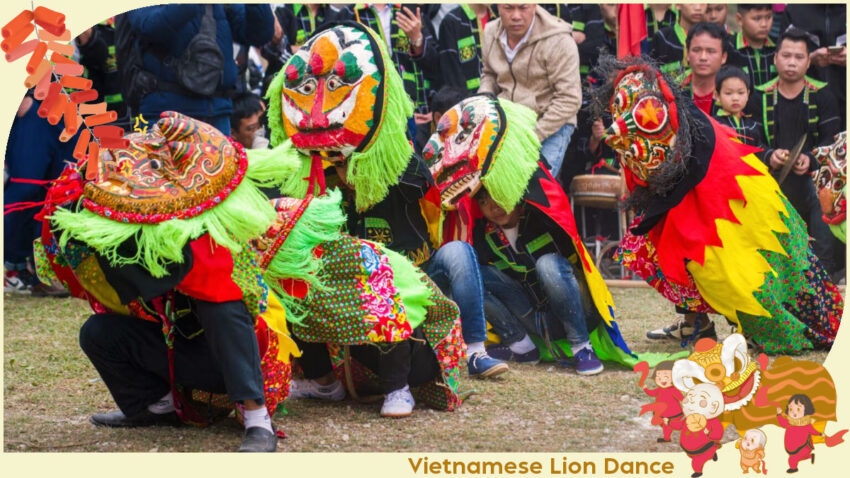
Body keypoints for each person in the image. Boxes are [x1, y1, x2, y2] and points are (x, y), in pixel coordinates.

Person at [254, 23, 507, 380]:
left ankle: (475, 350)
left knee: (458, 253)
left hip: (413, 276)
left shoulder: (399, 163)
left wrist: (370, 162)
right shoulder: (306, 174)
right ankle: (322, 377)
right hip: (349, 289)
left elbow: (426, 194)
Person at [37, 113, 294, 452]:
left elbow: (221, 297)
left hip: (248, 365)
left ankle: (257, 418)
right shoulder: (132, 228)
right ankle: (155, 405)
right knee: (98, 333)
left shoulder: (205, 232)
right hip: (182, 357)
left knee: (221, 307)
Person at [594, 56, 842, 354]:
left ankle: (759, 327)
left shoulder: (685, 124)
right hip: (692, 203)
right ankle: (695, 324)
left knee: (736, 272)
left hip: (733, 204)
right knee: (671, 253)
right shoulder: (666, 117)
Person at [425, 95, 641, 374]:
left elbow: (573, 264)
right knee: (473, 274)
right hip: (530, 318)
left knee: (548, 264)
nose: (493, 206)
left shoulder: (542, 215)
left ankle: (581, 346)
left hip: (573, 312)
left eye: (499, 194)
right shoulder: (484, 234)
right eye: (484, 201)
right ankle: (521, 346)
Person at [753, 27, 844, 279]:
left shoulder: (823, 94)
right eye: (786, 55)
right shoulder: (759, 96)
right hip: (770, 179)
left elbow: (832, 140)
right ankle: (765, 273)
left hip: (812, 178)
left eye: (799, 56)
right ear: (775, 59)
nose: (791, 62)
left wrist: (811, 159)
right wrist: (769, 155)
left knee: (824, 194)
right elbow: (750, 140)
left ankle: (822, 274)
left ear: (808, 62)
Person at [123, 4, 274, 134]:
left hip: (218, 113)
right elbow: (149, 26)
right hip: (167, 116)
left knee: (222, 168)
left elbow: (259, 35)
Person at [479, 4, 580, 177]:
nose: (516, 16)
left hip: (551, 122)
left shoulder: (559, 40)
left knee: (532, 190)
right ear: (498, 7)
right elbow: (489, 74)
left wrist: (532, 136)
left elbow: (569, 99)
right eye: (509, 8)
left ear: (534, 6)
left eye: (523, 7)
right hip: (507, 124)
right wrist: (483, 102)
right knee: (495, 188)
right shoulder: (490, 32)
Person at [337, 4, 440, 151]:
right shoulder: (350, 15)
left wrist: (417, 39)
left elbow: (436, 65)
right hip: (374, 121)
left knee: (420, 169)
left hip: (419, 114)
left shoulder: (409, 10)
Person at [4, 94, 73, 297]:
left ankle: (38, 275)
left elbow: (27, 185)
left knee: (27, 206)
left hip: (51, 193)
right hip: (41, 193)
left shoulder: (37, 120)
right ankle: (25, 272)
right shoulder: (20, 121)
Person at [437, 4, 494, 93]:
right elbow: (452, 75)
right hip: (467, 101)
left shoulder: (499, 18)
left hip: (501, 100)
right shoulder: (452, 22)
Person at [671, 383, 724, 478]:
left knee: (697, 462)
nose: (690, 403)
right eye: (689, 398)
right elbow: (679, 425)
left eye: (701, 402)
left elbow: (718, 434)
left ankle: (698, 471)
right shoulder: (690, 418)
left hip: (705, 448)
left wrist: (709, 433)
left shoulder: (712, 422)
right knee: (692, 457)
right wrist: (669, 422)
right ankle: (712, 455)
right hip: (689, 449)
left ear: (714, 407)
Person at [712, 65, 768, 149]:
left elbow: (760, 150)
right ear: (717, 96)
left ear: (748, 95)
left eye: (741, 93)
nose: (735, 98)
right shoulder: (714, 125)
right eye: (728, 93)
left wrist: (772, 155)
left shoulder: (752, 125)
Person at [680, 22, 728, 117]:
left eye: (711, 51)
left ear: (723, 57)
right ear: (688, 55)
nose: (703, 57)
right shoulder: (674, 89)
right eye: (696, 50)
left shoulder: (734, 92)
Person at [726, 4, 776, 92]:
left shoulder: (779, 48)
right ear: (739, 19)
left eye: (768, 17)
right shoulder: (728, 48)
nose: (764, 24)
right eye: (757, 18)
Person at [651, 3, 706, 75]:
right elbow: (653, 73)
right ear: (678, 5)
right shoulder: (662, 37)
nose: (698, 7)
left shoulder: (715, 38)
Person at [642, 361, 684, 443]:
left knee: (671, 425)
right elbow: (651, 393)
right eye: (659, 377)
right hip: (661, 414)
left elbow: (681, 398)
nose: (662, 380)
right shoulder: (659, 389)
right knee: (665, 426)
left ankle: (673, 436)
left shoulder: (674, 390)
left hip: (673, 414)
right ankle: (668, 437)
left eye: (666, 377)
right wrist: (645, 389)